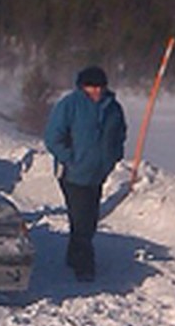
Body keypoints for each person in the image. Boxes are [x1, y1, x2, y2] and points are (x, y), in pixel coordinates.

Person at [44, 65, 127, 281]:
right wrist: (71, 159)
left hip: (98, 173)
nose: (97, 91)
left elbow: (120, 134)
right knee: (82, 220)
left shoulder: (113, 107)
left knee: (88, 217)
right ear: (82, 87)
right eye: (91, 87)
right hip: (72, 174)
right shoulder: (69, 105)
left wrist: (114, 155)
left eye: (100, 87)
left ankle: (74, 255)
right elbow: (53, 137)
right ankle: (84, 265)